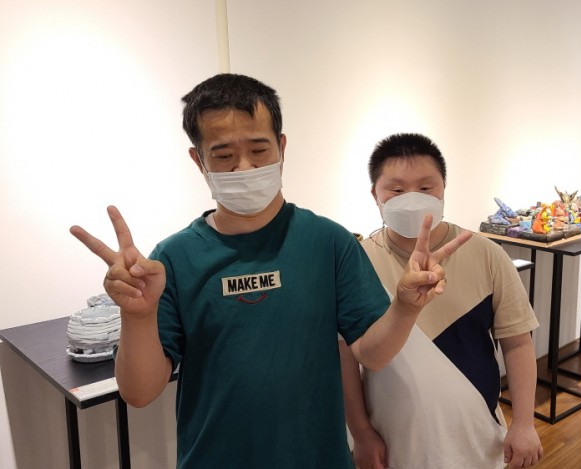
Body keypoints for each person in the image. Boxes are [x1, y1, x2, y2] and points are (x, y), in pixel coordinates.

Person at [69, 74, 471, 468]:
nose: (244, 167)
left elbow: (372, 354)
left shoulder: (328, 242)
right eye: (224, 155)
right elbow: (139, 393)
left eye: (259, 150)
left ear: (281, 146)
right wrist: (137, 316)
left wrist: (404, 308)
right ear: (198, 160)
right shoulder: (173, 259)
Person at [339, 133, 543, 469]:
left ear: (443, 188)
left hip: (477, 437)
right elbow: (345, 357)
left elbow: (517, 342)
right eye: (397, 190)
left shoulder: (487, 254)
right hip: (392, 441)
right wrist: (361, 433)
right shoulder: (356, 263)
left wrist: (523, 423)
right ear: (375, 194)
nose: (412, 200)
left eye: (425, 187)